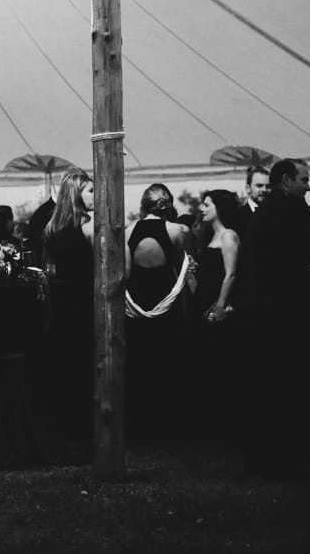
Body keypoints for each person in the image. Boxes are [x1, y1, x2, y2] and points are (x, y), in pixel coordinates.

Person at [241, 158, 310, 478]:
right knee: (290, 382)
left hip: (263, 312)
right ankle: (287, 456)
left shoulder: (266, 211)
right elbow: (306, 252)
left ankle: (265, 455)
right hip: (286, 312)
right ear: (288, 180)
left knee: (267, 385)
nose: (308, 186)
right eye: (304, 180)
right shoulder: (290, 209)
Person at [123, 183, 192, 442]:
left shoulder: (128, 230)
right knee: (168, 360)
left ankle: (140, 425)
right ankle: (169, 425)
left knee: (140, 362)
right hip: (167, 298)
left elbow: (127, 274)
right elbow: (181, 270)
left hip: (137, 300)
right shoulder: (178, 230)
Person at [42, 168, 95, 443]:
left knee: (64, 369)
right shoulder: (89, 227)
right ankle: (83, 430)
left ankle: (63, 430)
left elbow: (47, 270)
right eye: (90, 190)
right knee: (83, 367)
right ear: (76, 193)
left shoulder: (51, 229)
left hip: (62, 303)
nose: (95, 195)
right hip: (85, 302)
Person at [190, 189, 241, 440]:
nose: (201, 207)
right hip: (204, 305)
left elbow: (230, 274)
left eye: (207, 204)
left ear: (219, 207)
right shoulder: (211, 237)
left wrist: (220, 306)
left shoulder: (229, 236)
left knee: (221, 363)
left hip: (217, 309)